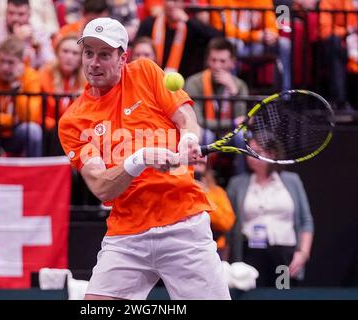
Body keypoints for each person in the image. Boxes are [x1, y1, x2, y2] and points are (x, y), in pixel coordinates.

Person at [59, 17, 230, 300]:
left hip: (182, 224)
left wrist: (188, 138)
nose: (94, 63)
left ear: (123, 57)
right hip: (127, 234)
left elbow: (185, 117)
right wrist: (139, 160)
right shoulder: (73, 121)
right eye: (88, 53)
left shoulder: (147, 73)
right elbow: (102, 187)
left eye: (104, 54)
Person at [226, 138, 314, 287]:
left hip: (283, 255)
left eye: (257, 152)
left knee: (282, 293)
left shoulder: (291, 181)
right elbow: (229, 224)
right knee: (254, 294)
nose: (251, 157)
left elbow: (306, 221)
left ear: (272, 154)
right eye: (249, 152)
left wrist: (303, 253)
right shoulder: (237, 184)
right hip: (251, 254)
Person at [185, 37, 248, 174]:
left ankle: (241, 179)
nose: (217, 65)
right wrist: (231, 123)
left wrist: (234, 93)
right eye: (213, 60)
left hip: (229, 135)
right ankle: (200, 178)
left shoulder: (239, 85)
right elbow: (199, 121)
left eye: (222, 61)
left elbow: (241, 121)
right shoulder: (194, 82)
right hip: (207, 132)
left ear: (232, 63)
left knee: (241, 135)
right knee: (205, 135)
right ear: (207, 60)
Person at [135, 0, 221, 78]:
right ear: (164, 3)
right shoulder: (150, 23)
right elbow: (136, 45)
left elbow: (217, 37)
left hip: (185, 80)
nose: (172, 4)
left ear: (183, 4)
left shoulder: (191, 26)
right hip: (153, 77)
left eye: (176, 1)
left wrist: (188, 20)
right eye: (170, 1)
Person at [0, 0, 55, 69]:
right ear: (5, 12)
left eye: (21, 14)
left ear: (29, 14)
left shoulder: (38, 32)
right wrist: (15, 40)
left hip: (29, 81)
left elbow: (50, 64)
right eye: (11, 13)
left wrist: (38, 51)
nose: (15, 18)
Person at [40, 35, 85, 155]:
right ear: (57, 53)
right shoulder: (44, 75)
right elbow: (38, 111)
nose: (69, 57)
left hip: (73, 132)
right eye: (65, 51)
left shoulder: (86, 81)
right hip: (48, 129)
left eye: (75, 53)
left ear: (81, 58)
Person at [193, 156, 236, 260]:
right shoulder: (179, 190)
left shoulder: (217, 192)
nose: (197, 164)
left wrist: (205, 196)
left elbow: (227, 223)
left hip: (214, 247)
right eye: (194, 161)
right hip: (186, 246)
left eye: (201, 162)